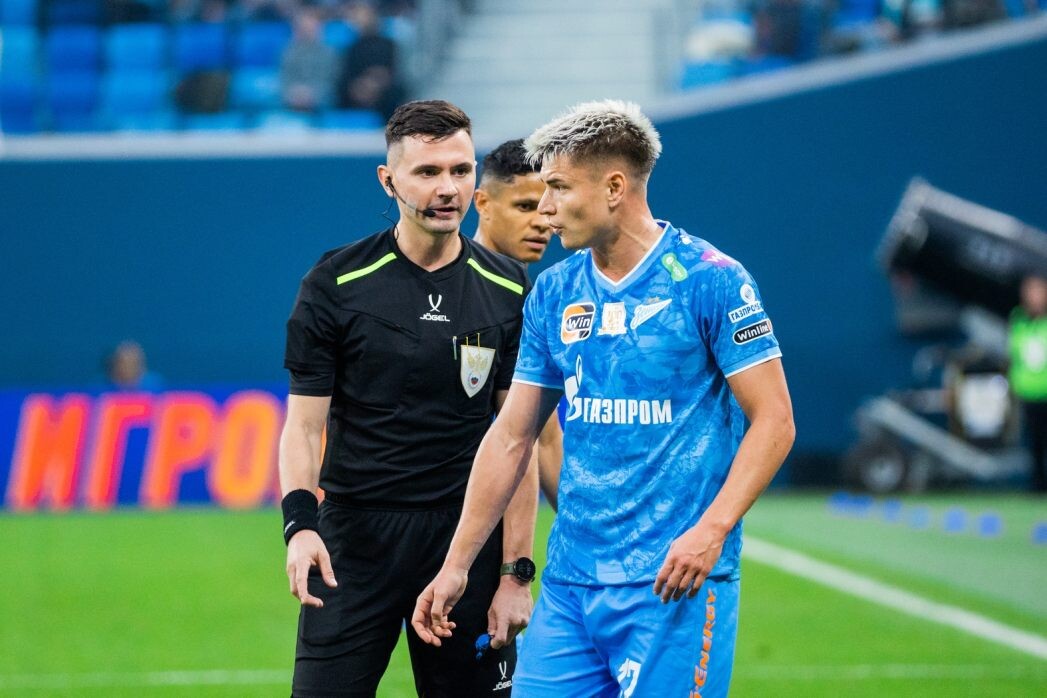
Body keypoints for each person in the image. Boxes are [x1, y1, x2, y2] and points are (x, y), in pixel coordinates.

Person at [413, 100, 795, 697]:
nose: (545, 208)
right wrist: (457, 565)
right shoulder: (554, 291)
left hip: (673, 583)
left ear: (615, 187)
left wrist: (712, 530)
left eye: (559, 188)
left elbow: (774, 420)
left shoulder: (711, 279)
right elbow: (512, 436)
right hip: (571, 584)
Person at [279, 99, 538, 697]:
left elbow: (516, 441)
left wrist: (515, 575)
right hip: (354, 545)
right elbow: (304, 427)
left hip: (464, 543)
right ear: (388, 179)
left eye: (461, 170)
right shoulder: (335, 283)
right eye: (428, 172)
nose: (448, 188)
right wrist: (300, 528)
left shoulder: (507, 288)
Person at [473, 138, 564, 510]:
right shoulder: (446, 291)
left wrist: (585, 531)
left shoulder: (532, 303)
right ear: (483, 204)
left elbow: (546, 437)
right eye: (525, 206)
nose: (542, 222)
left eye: (547, 207)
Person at [1009, 274, 1047, 493]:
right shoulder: (1019, 320)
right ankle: (1037, 484)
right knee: (1034, 443)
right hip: (1029, 392)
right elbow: (1015, 355)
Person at [280, 7, 339, 113]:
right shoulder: (287, 52)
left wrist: (311, 95)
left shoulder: (330, 53)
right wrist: (293, 94)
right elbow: (284, 79)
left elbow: (330, 82)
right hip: (291, 100)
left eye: (310, 26)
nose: (306, 29)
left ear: (319, 28)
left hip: (320, 102)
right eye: (303, 26)